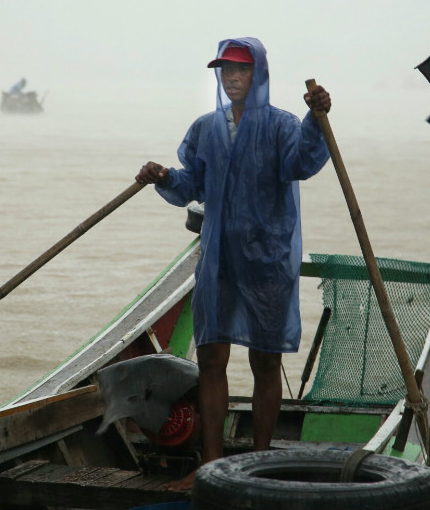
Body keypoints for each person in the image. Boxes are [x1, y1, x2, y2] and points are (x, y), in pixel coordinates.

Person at [135, 37, 331, 490]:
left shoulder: (283, 126)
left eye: (241, 69)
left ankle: (258, 467)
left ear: (258, 74)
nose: (233, 77)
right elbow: (191, 184)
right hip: (219, 259)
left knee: (265, 361)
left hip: (268, 261)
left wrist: (317, 118)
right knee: (211, 359)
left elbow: (303, 161)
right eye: (226, 70)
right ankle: (211, 466)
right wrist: (163, 176)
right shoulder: (206, 128)